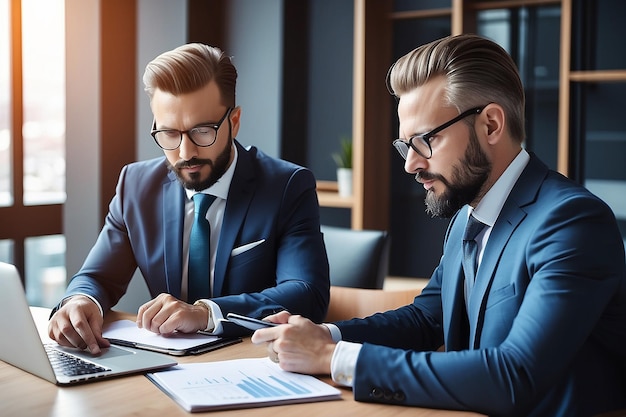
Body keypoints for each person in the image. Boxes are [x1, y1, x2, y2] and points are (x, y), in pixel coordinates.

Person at [252, 34, 626, 417]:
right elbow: (426, 318)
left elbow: (515, 376)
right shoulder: (469, 216)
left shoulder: (572, 223)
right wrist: (326, 335)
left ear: (491, 125)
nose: (410, 164)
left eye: (425, 140)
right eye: (405, 145)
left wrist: (335, 359)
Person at [48, 43, 330, 354]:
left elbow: (306, 294)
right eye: (169, 133)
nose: (185, 153)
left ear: (234, 122)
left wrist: (205, 313)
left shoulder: (287, 186)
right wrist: (80, 301)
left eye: (202, 131)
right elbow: (97, 276)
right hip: (165, 364)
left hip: (253, 360)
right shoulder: (136, 184)